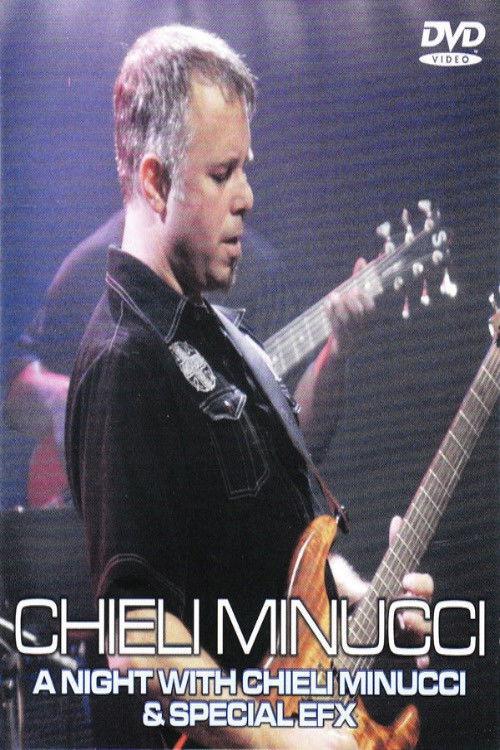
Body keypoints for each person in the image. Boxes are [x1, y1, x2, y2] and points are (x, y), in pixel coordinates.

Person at [65, 25, 432, 750]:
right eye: (221, 173)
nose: (247, 197)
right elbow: (136, 631)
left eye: (246, 169)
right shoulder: (125, 363)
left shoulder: (217, 335)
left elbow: (263, 544)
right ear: (154, 181)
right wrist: (279, 741)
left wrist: (362, 601)